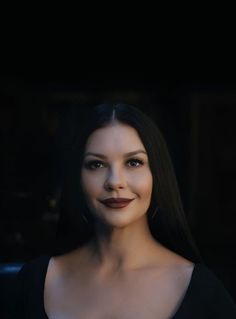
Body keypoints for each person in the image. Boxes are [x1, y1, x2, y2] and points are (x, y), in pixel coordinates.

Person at [13, 103, 236, 318]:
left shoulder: (203, 292)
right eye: (96, 165)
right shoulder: (34, 282)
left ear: (157, 175)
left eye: (134, 162)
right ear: (77, 179)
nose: (115, 182)